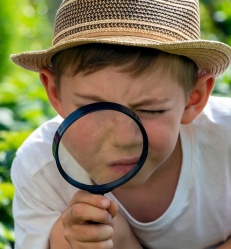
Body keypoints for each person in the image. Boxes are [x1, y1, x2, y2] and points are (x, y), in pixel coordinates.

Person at [10, 0, 231, 248]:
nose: (124, 138)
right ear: (55, 92)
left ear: (194, 98)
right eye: (93, 108)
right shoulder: (39, 171)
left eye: (150, 109)